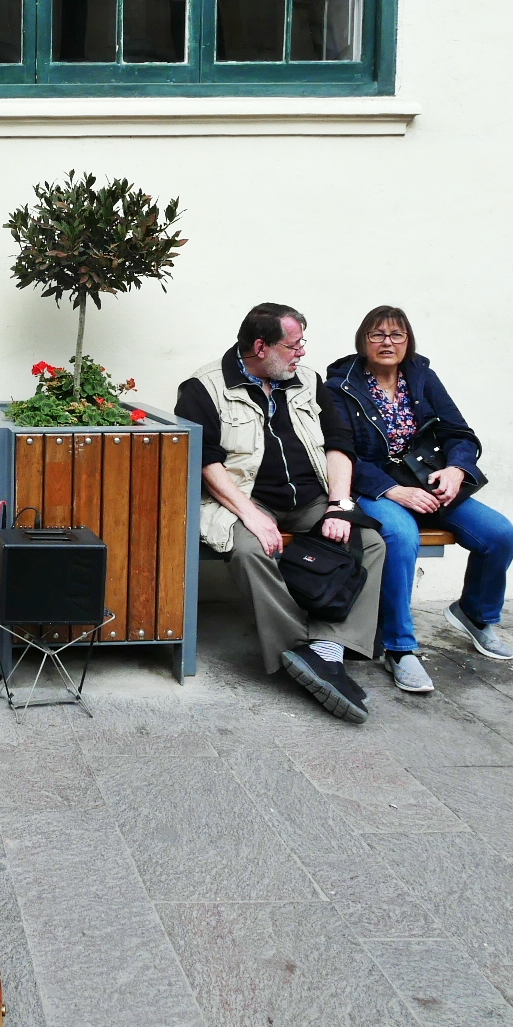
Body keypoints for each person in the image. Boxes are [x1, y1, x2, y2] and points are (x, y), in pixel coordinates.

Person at [176, 303, 387, 724]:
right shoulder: (203, 387)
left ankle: (327, 649)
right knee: (250, 551)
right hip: (243, 498)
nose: (302, 353)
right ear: (261, 346)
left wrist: (339, 505)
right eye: (293, 345)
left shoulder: (308, 381)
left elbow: (338, 444)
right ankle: (298, 650)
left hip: (311, 499)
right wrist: (249, 514)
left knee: (370, 542)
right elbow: (205, 460)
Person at [324, 306, 513, 691]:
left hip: (428, 483)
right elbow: (340, 449)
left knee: (500, 534)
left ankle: (475, 614)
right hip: (378, 487)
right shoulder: (339, 386)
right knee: (400, 537)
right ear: (363, 341)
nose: (387, 343)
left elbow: (459, 433)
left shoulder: (422, 377)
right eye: (377, 335)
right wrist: (393, 491)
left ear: (408, 341)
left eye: (397, 335)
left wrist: (456, 469)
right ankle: (400, 647)